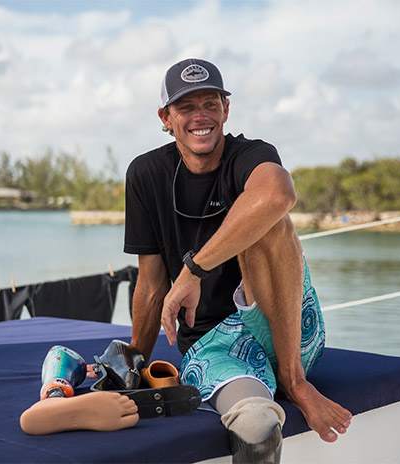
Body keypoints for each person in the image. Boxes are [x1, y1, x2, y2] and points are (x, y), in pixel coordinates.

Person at [124, 58, 352, 460]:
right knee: (255, 424)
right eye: (186, 107)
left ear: (226, 110)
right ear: (166, 117)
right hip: (212, 345)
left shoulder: (252, 154)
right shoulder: (146, 174)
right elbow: (151, 281)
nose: (201, 116)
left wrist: (193, 270)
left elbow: (278, 195)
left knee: (268, 220)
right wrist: (133, 363)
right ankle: (266, 393)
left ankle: (294, 381)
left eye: (211, 104)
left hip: (286, 325)